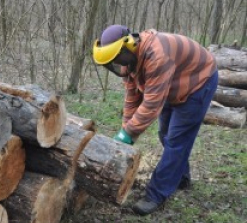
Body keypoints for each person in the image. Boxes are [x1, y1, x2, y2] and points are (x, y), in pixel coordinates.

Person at [92, 25, 218, 216]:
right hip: (170, 84)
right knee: (165, 133)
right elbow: (132, 98)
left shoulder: (157, 55)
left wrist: (128, 134)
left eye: (118, 58)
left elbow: (151, 105)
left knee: (176, 140)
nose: (118, 63)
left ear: (129, 44)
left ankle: (156, 194)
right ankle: (180, 177)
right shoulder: (129, 60)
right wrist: (124, 131)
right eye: (113, 61)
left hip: (198, 82)